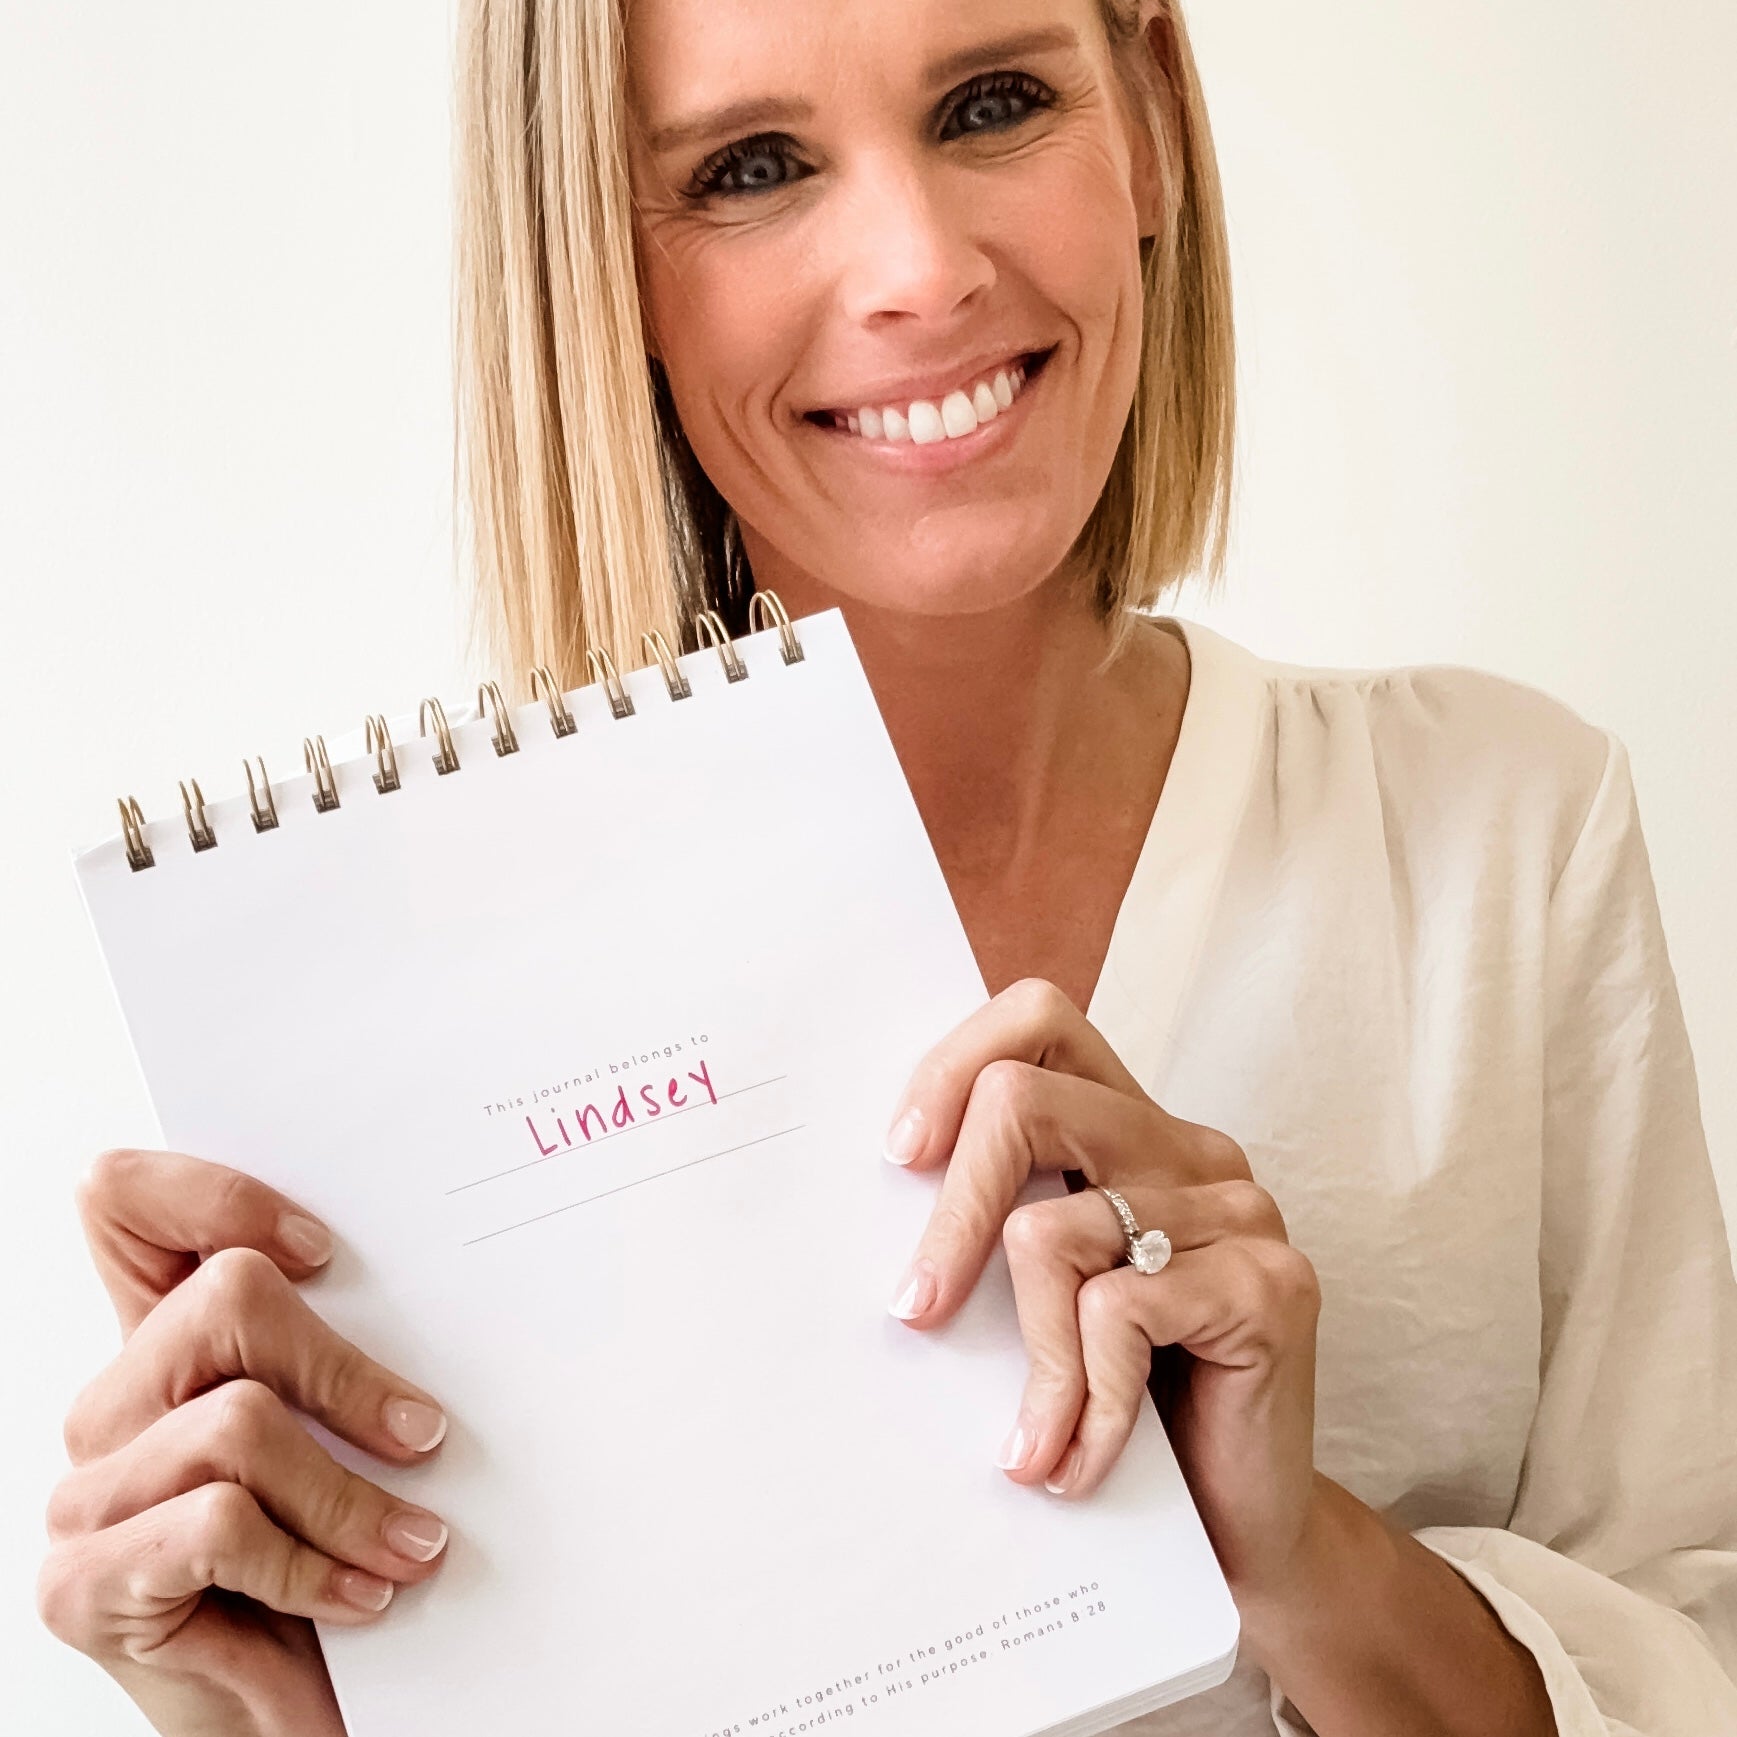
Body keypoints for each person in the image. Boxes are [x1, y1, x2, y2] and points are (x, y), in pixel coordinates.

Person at [37, 1, 1737, 1732]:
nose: (921, 269)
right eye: (749, 168)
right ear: (593, 264)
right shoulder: (371, 1028)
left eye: (992, 103)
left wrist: (1294, 1555)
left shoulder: (1496, 840)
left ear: (1149, 117)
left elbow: (1698, 1655)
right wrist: (268, 1710)